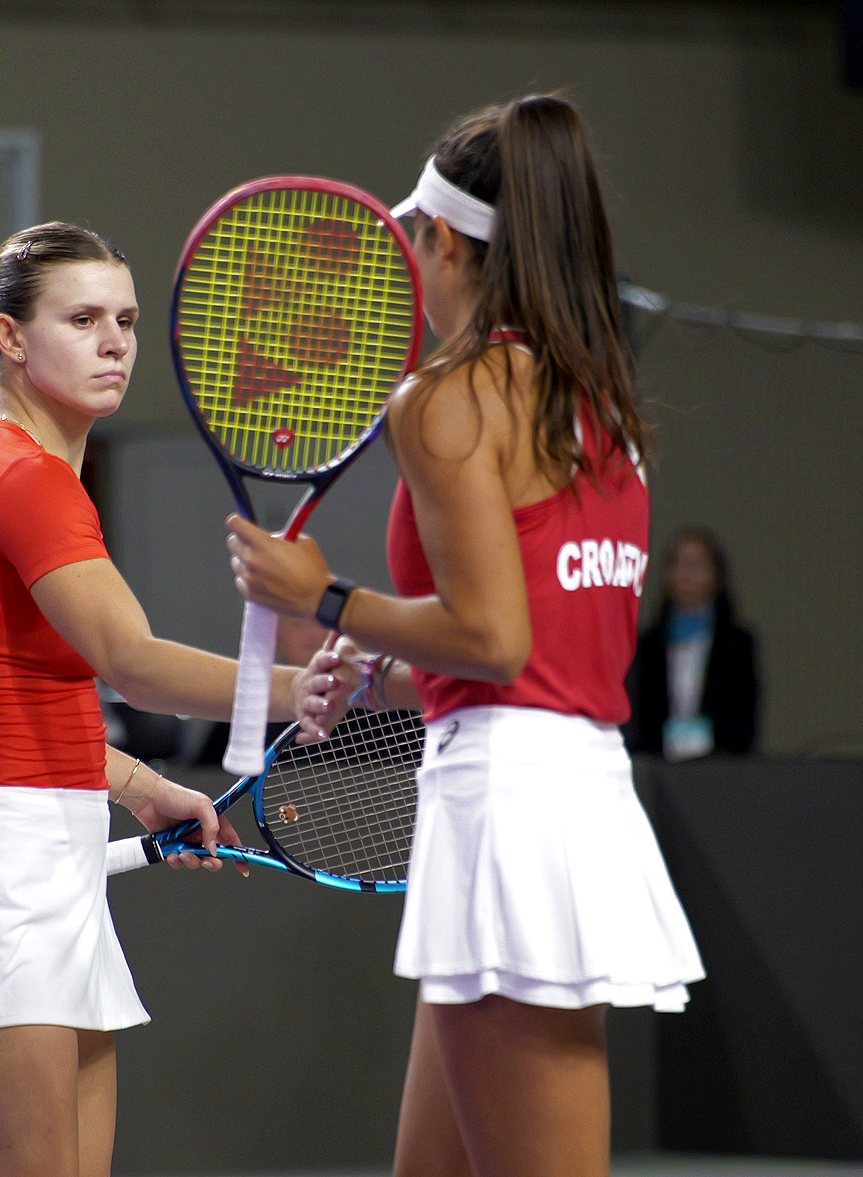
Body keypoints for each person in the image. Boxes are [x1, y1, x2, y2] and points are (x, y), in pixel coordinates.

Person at [228, 95, 704, 1177]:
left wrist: (328, 596)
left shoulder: (447, 398)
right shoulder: (600, 402)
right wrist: (381, 669)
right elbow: (536, 648)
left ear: (445, 240)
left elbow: (493, 640)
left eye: (414, 240)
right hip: (560, 785)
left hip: (508, 808)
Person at [0, 222, 314, 1177]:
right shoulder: (22, 478)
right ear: (9, 337)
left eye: (127, 321)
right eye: (83, 320)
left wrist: (139, 785)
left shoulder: (14, 470)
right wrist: (299, 692)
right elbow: (131, 664)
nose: (115, 343)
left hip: (46, 874)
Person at [626, 526, 760, 760]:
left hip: (720, 765)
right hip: (659, 764)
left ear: (717, 575)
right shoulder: (648, 645)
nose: (686, 575)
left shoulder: (737, 644)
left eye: (697, 565)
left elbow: (744, 718)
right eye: (678, 564)